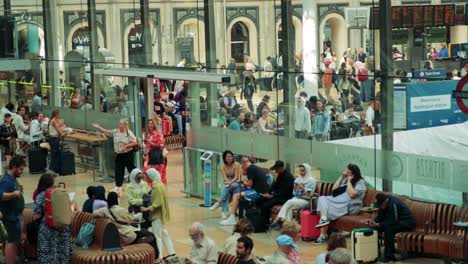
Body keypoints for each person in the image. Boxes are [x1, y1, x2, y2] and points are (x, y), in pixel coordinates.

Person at [93, 191, 159, 259]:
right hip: (127, 235)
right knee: (151, 235)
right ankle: (156, 258)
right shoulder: (120, 210)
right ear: (116, 200)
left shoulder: (104, 210)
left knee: (144, 233)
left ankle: (144, 245)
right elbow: (130, 220)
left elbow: (94, 213)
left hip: (117, 236)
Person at [314, 164, 367, 244]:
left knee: (326, 210)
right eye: (346, 171)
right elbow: (334, 189)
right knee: (322, 199)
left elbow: (352, 194)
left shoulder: (360, 182)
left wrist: (349, 182)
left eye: (348, 172)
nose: (346, 173)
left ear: (353, 174)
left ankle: (322, 236)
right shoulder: (345, 179)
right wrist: (342, 177)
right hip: (337, 201)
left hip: (348, 205)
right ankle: (324, 220)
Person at [33, 173, 72, 263]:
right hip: (63, 228)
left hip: (47, 229)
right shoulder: (60, 193)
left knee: (46, 254)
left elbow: (37, 216)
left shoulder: (41, 195)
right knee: (62, 253)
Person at [221, 156, 270, 225]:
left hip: (259, 193)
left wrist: (243, 182)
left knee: (236, 196)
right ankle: (233, 214)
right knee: (238, 194)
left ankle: (232, 218)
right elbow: (253, 183)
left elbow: (249, 184)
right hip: (260, 190)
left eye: (242, 166)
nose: (242, 168)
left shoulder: (250, 169)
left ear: (244, 163)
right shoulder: (254, 167)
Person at [92, 118, 137, 193]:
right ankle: (118, 186)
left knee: (131, 169)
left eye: (121, 124)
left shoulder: (128, 133)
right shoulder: (116, 131)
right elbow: (107, 131)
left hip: (128, 154)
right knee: (118, 170)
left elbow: (135, 142)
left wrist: (127, 146)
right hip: (119, 154)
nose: (120, 125)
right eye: (119, 124)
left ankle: (136, 183)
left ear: (125, 125)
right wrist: (99, 127)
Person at [368, 193, 415, 263]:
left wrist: (378, 224)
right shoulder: (383, 202)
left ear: (385, 202)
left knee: (389, 229)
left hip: (405, 223)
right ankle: (375, 253)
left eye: (380, 205)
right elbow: (380, 217)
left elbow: (392, 221)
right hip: (395, 222)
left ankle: (388, 256)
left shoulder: (394, 204)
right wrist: (373, 221)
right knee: (374, 228)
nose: (380, 207)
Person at [140, 169, 176, 260]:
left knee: (157, 236)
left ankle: (159, 256)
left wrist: (146, 209)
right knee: (164, 234)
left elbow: (157, 203)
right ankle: (171, 252)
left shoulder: (156, 187)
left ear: (151, 176)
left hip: (157, 216)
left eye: (147, 176)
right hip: (162, 215)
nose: (146, 177)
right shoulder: (161, 185)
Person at [270, 163, 317, 228]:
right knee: (290, 209)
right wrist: (295, 189)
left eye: (303, 170)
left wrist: (302, 188)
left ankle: (277, 220)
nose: (301, 172)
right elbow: (294, 194)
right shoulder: (298, 179)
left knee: (289, 202)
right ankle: (288, 227)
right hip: (297, 199)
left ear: (307, 171)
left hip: (306, 201)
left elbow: (310, 195)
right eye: (300, 170)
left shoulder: (312, 181)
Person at [0, 156, 26, 264]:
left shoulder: (12, 179)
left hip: (15, 215)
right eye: (20, 169)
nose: (21, 172)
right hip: (10, 216)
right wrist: (14, 193)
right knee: (11, 242)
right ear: (14, 167)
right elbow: (1, 196)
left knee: (14, 241)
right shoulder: (6, 180)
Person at [260, 160, 294, 227]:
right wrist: (268, 192)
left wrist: (272, 196)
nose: (275, 171)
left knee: (265, 205)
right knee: (260, 199)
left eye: (276, 169)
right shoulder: (280, 175)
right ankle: (262, 220)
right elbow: (275, 185)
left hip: (284, 198)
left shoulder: (288, 177)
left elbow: (285, 192)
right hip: (278, 196)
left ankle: (265, 224)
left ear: (281, 168)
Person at [210, 150, 241, 219]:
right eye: (228, 157)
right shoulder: (222, 166)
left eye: (231, 156)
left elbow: (236, 177)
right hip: (227, 181)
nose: (230, 158)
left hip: (235, 181)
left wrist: (230, 183)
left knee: (226, 189)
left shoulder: (236, 165)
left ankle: (218, 203)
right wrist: (229, 183)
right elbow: (225, 177)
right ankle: (223, 211)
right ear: (224, 158)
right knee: (226, 191)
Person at [143, 118, 167, 185]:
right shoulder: (149, 134)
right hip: (149, 156)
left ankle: (158, 188)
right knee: (147, 172)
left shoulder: (158, 133)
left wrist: (150, 143)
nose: (150, 125)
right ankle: (150, 188)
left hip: (156, 156)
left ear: (154, 124)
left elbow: (161, 145)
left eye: (151, 123)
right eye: (149, 124)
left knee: (157, 173)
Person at [48, 110, 66, 174]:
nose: (59, 116)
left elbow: (63, 125)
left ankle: (57, 169)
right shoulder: (53, 121)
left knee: (57, 154)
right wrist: (62, 128)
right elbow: (60, 131)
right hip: (53, 139)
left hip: (56, 138)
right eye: (58, 114)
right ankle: (52, 170)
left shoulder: (57, 120)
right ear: (56, 115)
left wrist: (62, 126)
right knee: (54, 155)